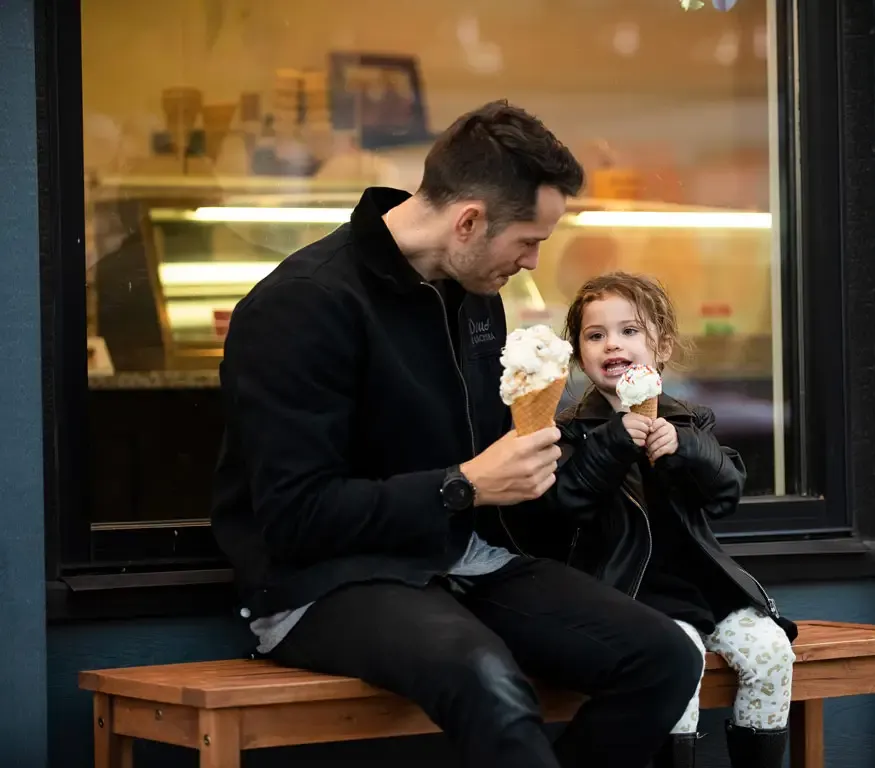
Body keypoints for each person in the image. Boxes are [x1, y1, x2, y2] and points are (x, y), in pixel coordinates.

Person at [211, 102, 704, 768]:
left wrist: (578, 458)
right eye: (528, 240)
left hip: (464, 560)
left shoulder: (476, 295)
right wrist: (462, 485)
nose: (532, 262)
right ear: (469, 220)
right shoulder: (301, 305)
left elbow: (496, 475)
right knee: (486, 676)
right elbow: (294, 517)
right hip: (321, 583)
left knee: (665, 657)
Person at [505, 272, 799, 768]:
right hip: (628, 593)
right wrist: (615, 440)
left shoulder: (689, 420)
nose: (612, 344)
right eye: (595, 335)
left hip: (702, 588)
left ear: (661, 345)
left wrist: (690, 450)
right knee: (676, 663)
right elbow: (566, 503)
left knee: (771, 651)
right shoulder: (572, 431)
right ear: (578, 355)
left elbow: (727, 493)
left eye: (629, 331)